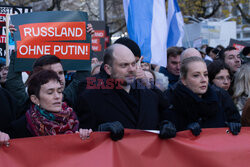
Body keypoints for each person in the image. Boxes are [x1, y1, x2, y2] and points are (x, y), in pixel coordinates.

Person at [77, 44, 176, 141]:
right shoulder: (92, 96)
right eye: (124, 65)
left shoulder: (149, 94)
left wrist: (165, 125)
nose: (131, 69)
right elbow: (83, 136)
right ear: (108, 69)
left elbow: (161, 116)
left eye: (133, 64)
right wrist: (100, 131)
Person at [164, 57, 241, 136]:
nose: (203, 79)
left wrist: (232, 126)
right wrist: (184, 131)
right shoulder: (170, 98)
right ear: (184, 80)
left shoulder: (221, 96)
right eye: (196, 75)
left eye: (205, 74)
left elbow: (234, 123)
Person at [10, 69, 92, 139]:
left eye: (59, 91)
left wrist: (84, 136)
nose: (57, 96)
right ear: (35, 99)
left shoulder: (74, 120)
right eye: (50, 92)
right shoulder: (20, 127)